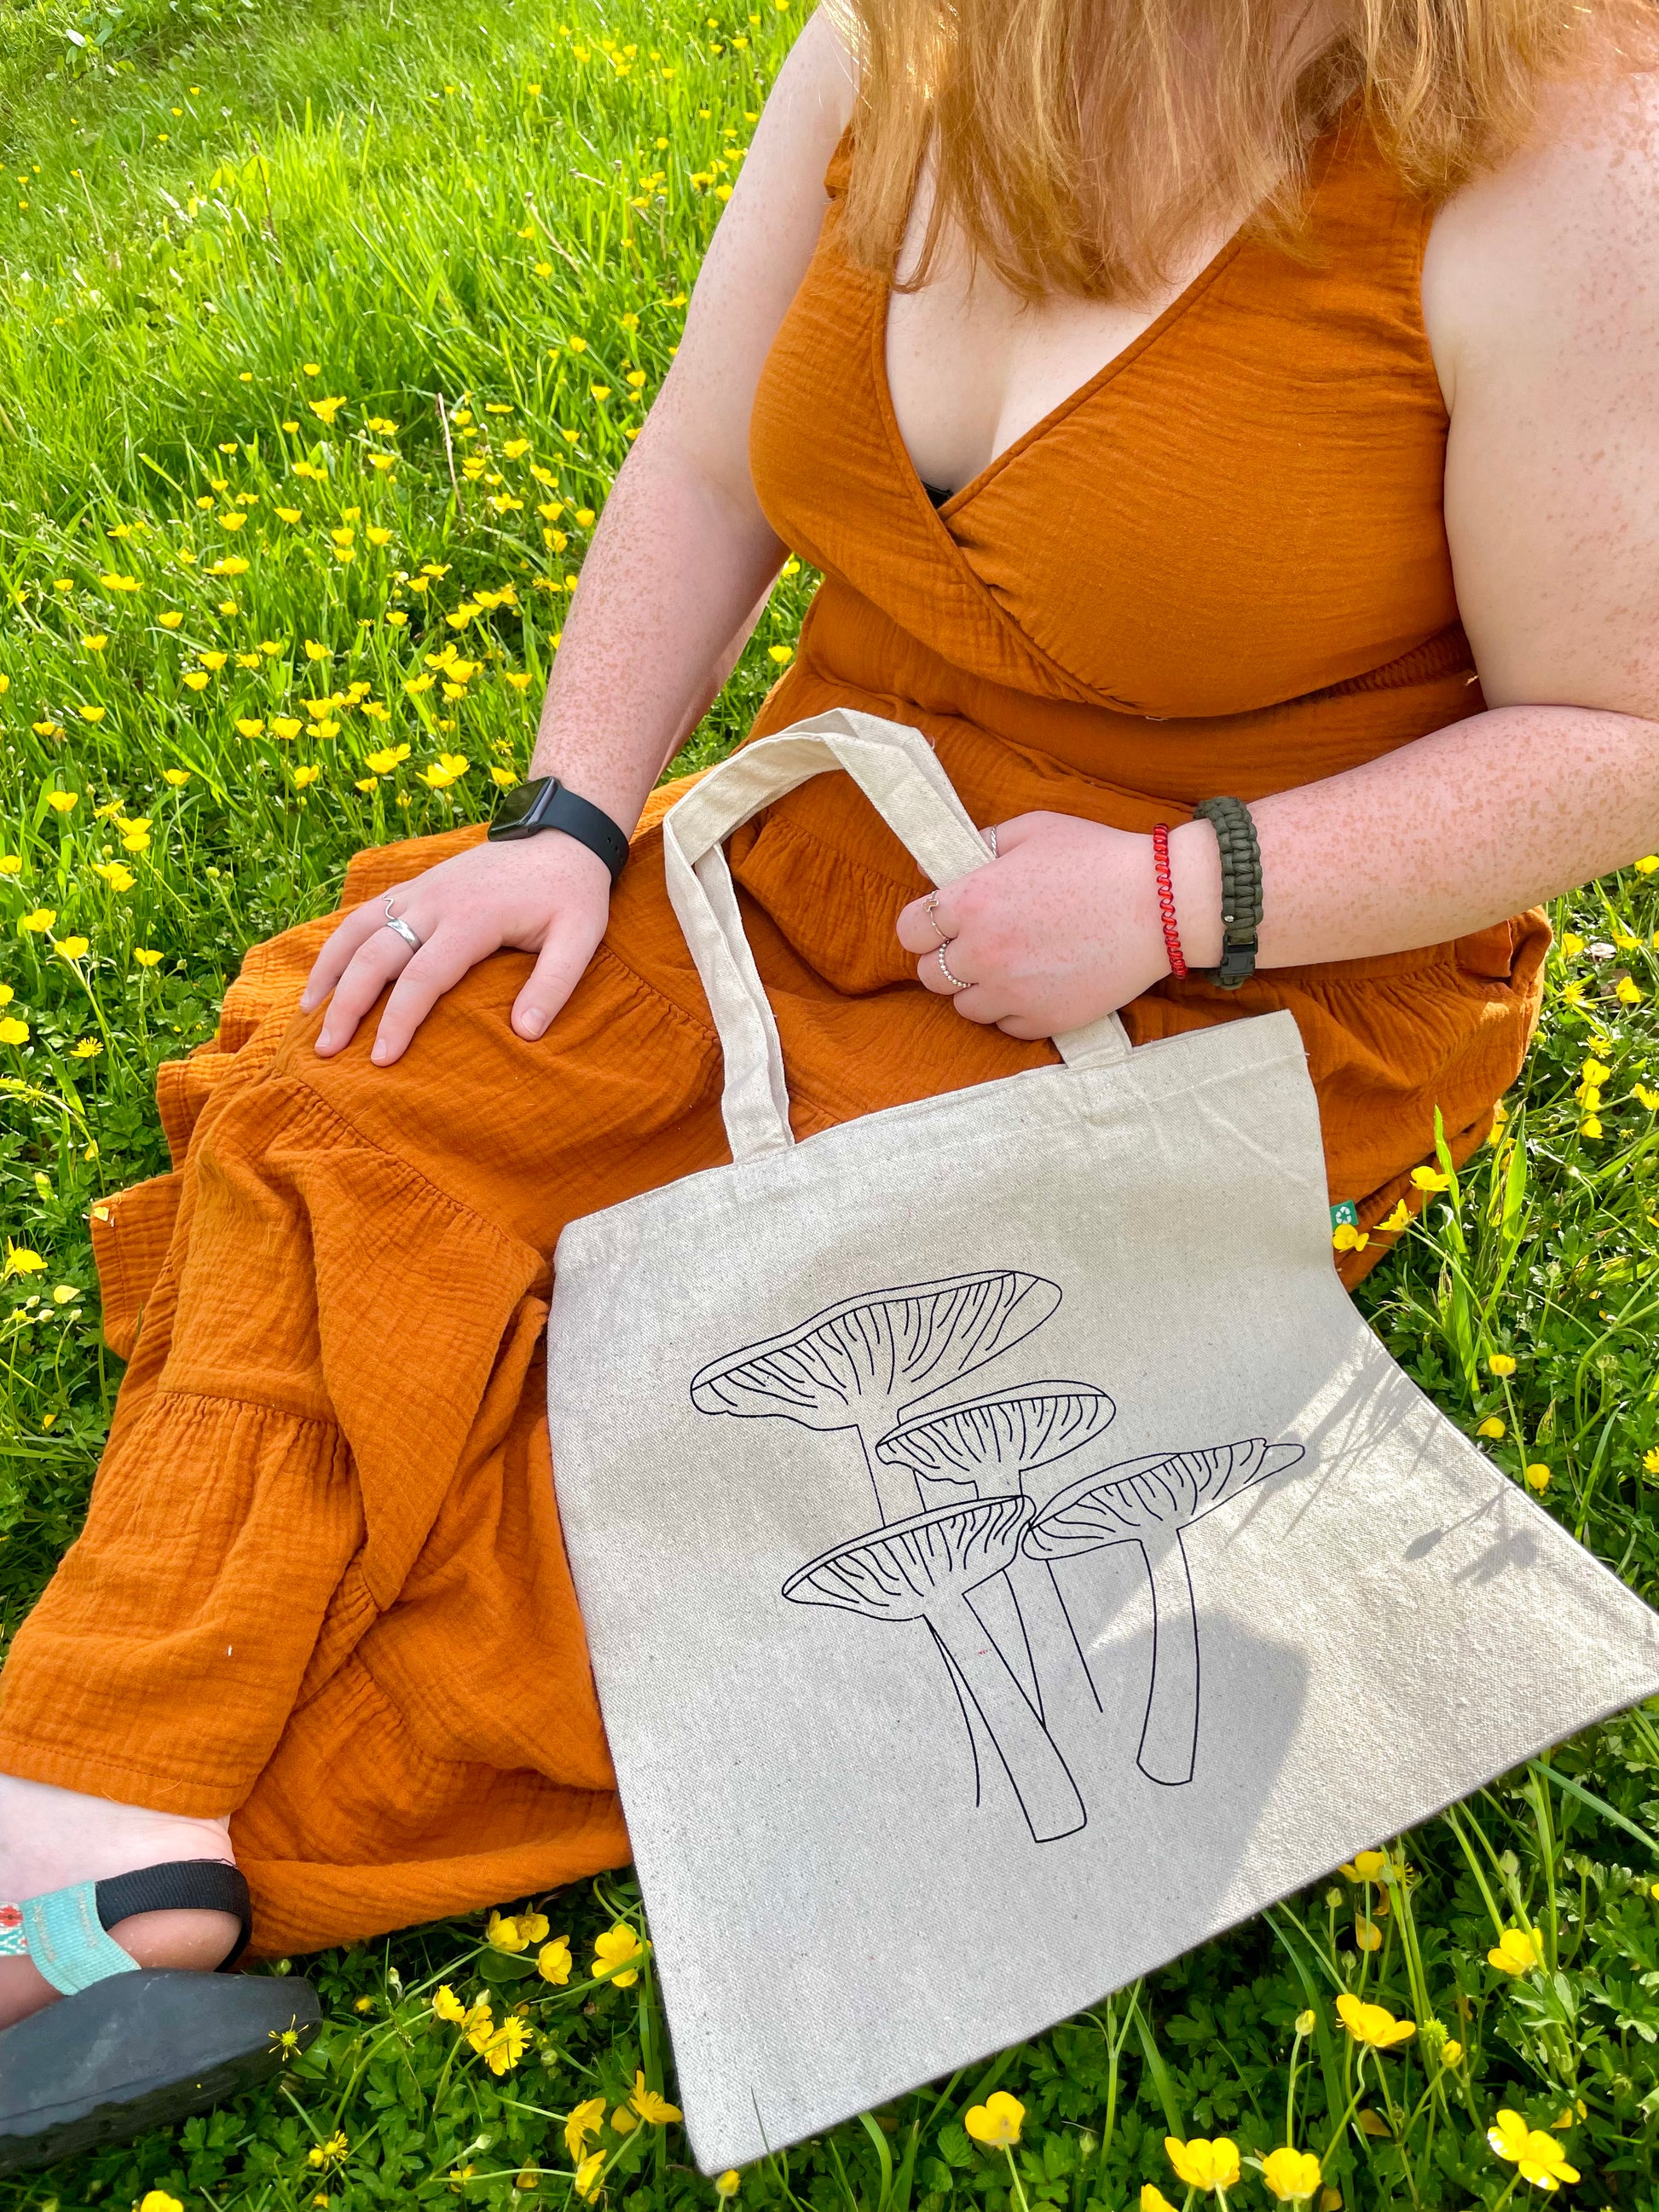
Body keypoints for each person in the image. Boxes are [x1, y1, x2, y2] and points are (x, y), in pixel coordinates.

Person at [3, 0, 1658, 2157]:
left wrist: (1186, 892)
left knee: (795, 1450)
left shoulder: (1554, 145)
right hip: (821, 842)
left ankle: (127, 1885)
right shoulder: (896, 49)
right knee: (367, 1094)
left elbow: (1611, 732)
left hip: (1229, 972)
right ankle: (102, 1797)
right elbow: (706, 467)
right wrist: (570, 822)